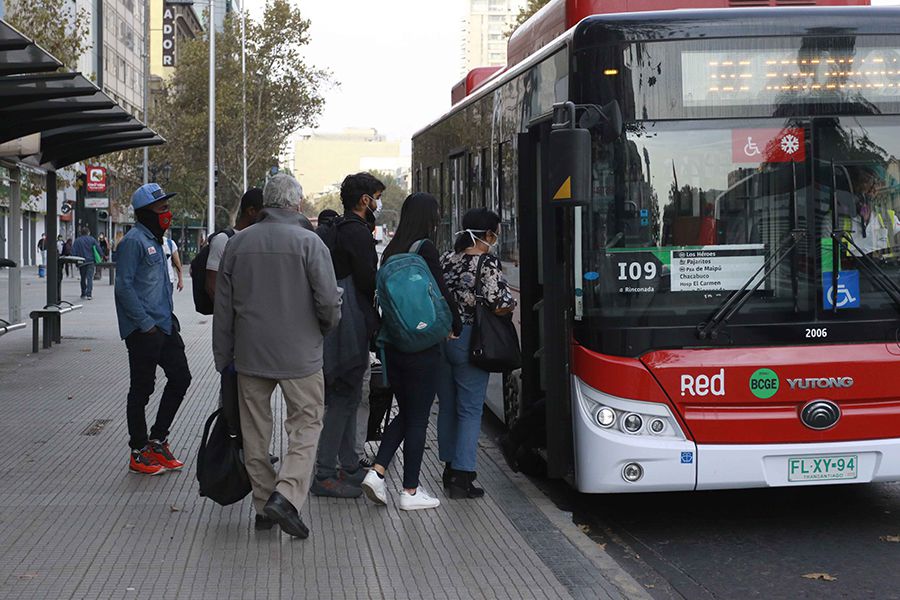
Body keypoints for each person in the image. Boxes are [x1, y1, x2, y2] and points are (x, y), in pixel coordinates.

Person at [213, 174, 341, 538]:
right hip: (301, 356)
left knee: (255, 432)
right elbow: (329, 302)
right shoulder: (310, 243)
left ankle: (264, 504)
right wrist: (324, 329)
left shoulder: (238, 245)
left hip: (250, 355)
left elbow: (224, 311)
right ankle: (285, 496)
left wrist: (224, 357)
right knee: (307, 423)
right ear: (297, 204)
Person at [361, 192, 462, 511]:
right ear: (428, 218)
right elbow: (440, 292)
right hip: (422, 346)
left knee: (407, 412)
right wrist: (454, 323)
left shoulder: (390, 250)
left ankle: (377, 473)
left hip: (394, 345)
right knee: (417, 418)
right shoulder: (425, 249)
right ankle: (410, 490)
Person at [436, 208, 516, 499]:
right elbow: (498, 302)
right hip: (471, 340)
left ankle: (447, 466)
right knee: (470, 410)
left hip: (444, 338)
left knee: (447, 405)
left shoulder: (447, 258)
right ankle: (463, 476)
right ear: (488, 235)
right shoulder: (486, 262)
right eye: (495, 232)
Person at [312, 173, 384, 498]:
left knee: (348, 394)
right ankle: (325, 473)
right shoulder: (357, 232)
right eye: (376, 196)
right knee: (345, 395)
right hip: (351, 321)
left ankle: (349, 464)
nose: (378, 203)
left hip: (340, 319)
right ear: (364, 200)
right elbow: (369, 280)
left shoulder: (338, 228)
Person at [114, 183, 192, 476]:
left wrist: (167, 321)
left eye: (167, 208)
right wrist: (145, 325)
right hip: (144, 329)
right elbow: (123, 287)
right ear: (146, 213)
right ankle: (138, 451)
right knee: (142, 389)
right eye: (162, 209)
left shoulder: (159, 241)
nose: (167, 213)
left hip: (165, 324)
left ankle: (158, 439)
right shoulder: (133, 242)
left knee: (181, 378)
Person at [205, 187, 264, 302]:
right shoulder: (222, 240)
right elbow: (212, 286)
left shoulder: (260, 240)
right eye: (264, 213)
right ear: (251, 211)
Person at [72, 227, 102, 299]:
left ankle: (83, 293)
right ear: (88, 233)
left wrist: (75, 261)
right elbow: (98, 249)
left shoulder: (77, 240)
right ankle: (89, 294)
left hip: (81, 261)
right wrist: (101, 255)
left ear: (81, 233)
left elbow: (73, 252)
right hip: (90, 261)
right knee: (89, 278)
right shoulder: (92, 239)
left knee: (83, 278)